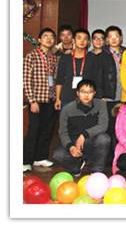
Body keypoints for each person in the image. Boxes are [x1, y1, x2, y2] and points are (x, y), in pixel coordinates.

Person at [52, 79, 110, 176]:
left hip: (91, 141)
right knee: (58, 155)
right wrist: (71, 147)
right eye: (83, 92)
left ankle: (97, 171)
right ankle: (76, 166)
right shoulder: (67, 109)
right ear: (77, 93)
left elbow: (103, 125)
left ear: (94, 93)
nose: (86, 95)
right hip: (74, 142)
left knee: (104, 139)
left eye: (90, 92)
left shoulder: (101, 104)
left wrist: (84, 135)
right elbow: (63, 132)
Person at [23, 27, 58, 172]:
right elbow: (26, 80)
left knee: (46, 130)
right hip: (36, 101)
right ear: (39, 40)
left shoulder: (53, 57)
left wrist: (55, 98)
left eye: (51, 37)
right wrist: (31, 100)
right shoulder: (31, 56)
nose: (49, 39)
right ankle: (25, 160)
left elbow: (53, 79)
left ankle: (40, 157)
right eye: (45, 36)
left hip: (50, 100)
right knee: (34, 130)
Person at [55, 28, 101, 108]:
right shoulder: (65, 57)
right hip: (67, 98)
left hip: (87, 99)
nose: (82, 41)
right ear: (73, 40)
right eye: (79, 38)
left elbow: (97, 80)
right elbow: (59, 79)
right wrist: (58, 99)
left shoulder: (93, 58)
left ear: (88, 42)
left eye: (85, 39)